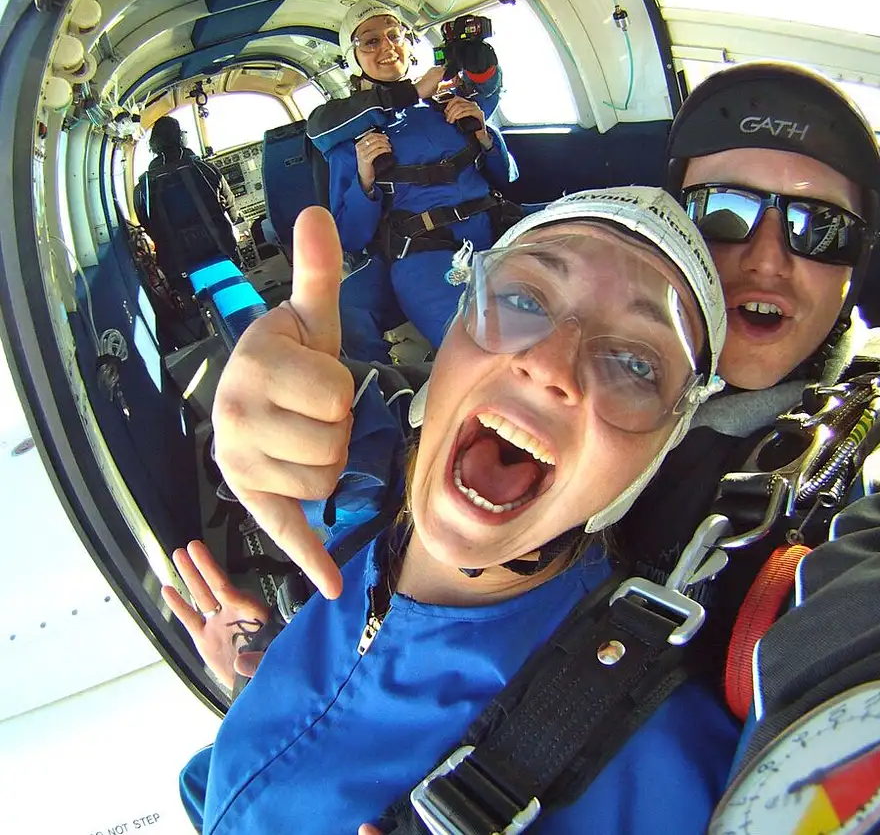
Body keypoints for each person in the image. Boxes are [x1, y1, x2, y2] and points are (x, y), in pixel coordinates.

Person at [201, 63, 880, 833]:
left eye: (821, 229)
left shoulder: (867, 467)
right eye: (727, 213)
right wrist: (265, 427)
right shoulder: (462, 416)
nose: (766, 258)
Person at [169, 188, 740, 834]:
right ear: (448, 347)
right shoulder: (363, 538)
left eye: (636, 364)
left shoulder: (654, 765)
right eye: (523, 301)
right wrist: (258, 672)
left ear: (646, 467)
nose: (549, 364)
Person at [305, 0, 517, 363]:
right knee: (492, 349)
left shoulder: (448, 105)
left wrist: (484, 136)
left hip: (497, 229)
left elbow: (507, 176)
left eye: (394, 35)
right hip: (425, 255)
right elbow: (351, 238)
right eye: (370, 41)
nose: (387, 46)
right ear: (353, 59)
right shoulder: (350, 138)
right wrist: (364, 182)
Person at [133, 114, 237, 280]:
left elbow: (148, 225)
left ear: (154, 144)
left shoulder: (143, 187)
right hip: (220, 249)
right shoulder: (205, 169)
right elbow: (231, 208)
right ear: (180, 138)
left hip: (177, 265)